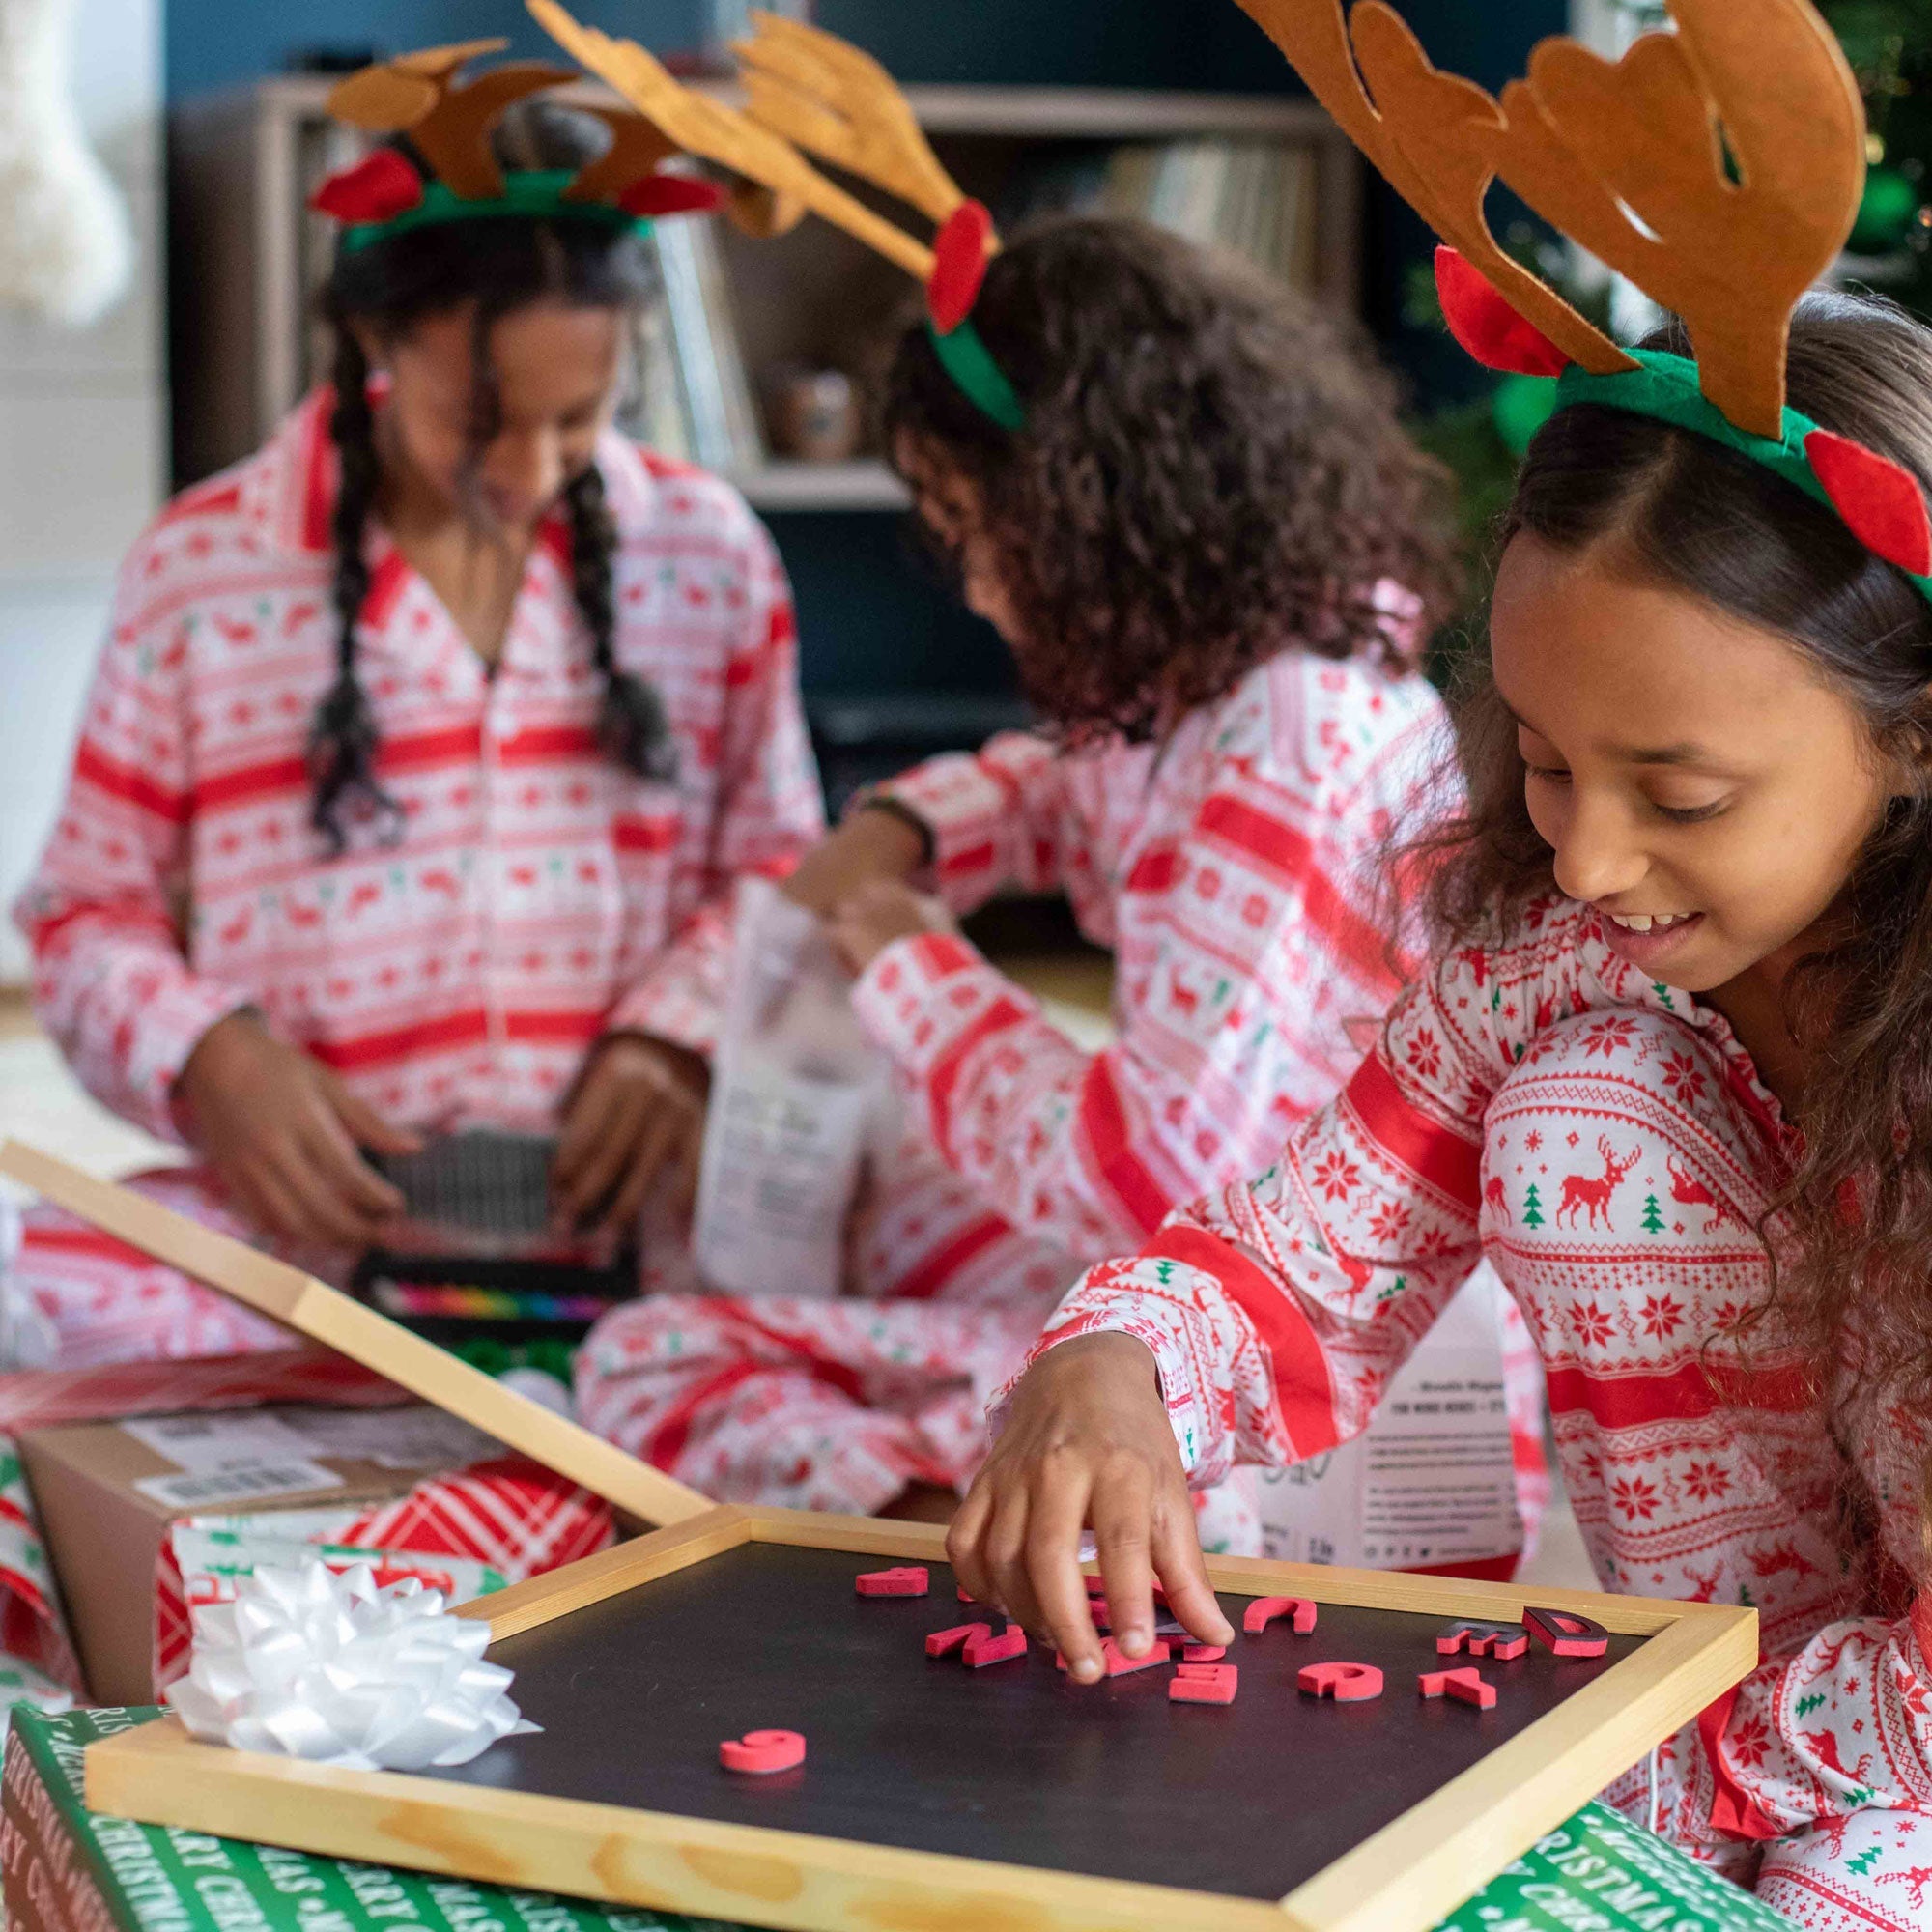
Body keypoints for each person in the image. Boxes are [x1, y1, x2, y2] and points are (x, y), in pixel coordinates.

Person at [954, 290, 1932, 1925]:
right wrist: (1108, 1363)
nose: (1589, 862)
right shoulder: (1560, 957)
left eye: (1681, 796)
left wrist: (1628, 1760)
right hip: (1722, 1692)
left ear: (1914, 734)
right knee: (1586, 1103)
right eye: (1545, 762)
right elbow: (1306, 1255)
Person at [578, 217, 1546, 1553]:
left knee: (654, 1357)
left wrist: (902, 961)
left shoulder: (1290, 733)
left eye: (978, 533)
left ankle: (1024, 1538)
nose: (972, 587)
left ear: (1096, 511)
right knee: (854, 1214)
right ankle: (1015, 1512)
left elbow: (1148, 1167)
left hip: (1297, 1393)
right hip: (1236, 1293)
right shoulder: (1227, 676)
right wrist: (915, 824)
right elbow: (1051, 784)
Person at [4, 87, 821, 1368]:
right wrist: (209, 1055)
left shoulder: (708, 559)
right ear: (376, 343)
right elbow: (82, 914)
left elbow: (789, 879)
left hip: (638, 1239)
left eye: (580, 418)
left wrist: (681, 1037)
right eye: (479, 422)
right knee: (34, 1312)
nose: (533, 471)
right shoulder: (203, 571)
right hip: (307, 1246)